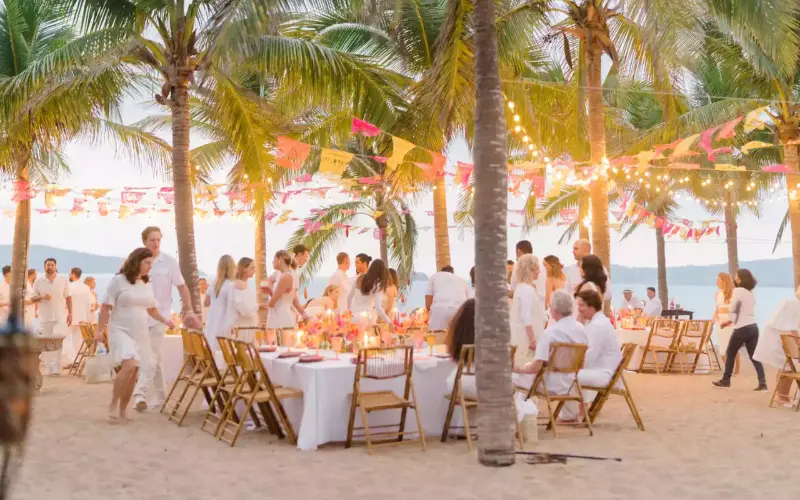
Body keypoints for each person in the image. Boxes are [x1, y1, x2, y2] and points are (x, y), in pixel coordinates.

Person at [96, 248, 174, 422]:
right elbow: (105, 306)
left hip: (140, 332)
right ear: (136, 261)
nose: (149, 267)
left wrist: (166, 321)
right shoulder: (118, 280)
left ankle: (123, 410)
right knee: (129, 365)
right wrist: (100, 331)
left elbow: (152, 309)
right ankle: (113, 403)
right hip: (120, 329)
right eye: (147, 263)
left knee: (134, 374)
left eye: (151, 264)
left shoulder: (146, 283)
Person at [134, 226, 199, 412]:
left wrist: (187, 309)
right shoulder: (135, 261)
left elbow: (182, 287)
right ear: (144, 242)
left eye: (158, 239)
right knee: (153, 358)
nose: (156, 243)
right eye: (152, 240)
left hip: (160, 317)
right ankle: (161, 398)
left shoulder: (169, 262)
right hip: (138, 317)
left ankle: (139, 394)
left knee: (151, 355)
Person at [513, 290, 587, 420]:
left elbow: (536, 367)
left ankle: (521, 415)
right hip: (570, 382)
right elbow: (582, 364)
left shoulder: (551, 333)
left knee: (512, 377)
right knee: (525, 375)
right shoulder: (581, 329)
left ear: (554, 310)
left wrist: (518, 369)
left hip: (548, 384)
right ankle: (527, 412)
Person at [713, 269, 767, 390]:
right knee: (754, 356)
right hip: (753, 326)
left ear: (740, 279)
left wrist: (728, 321)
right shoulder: (750, 293)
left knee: (730, 353)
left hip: (742, 327)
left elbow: (734, 309)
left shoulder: (738, 291)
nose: (734, 279)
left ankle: (726, 380)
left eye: (736, 277)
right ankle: (762, 383)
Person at [754, 286, 800, 405]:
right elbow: (792, 329)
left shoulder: (791, 302)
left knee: (786, 366)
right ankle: (782, 396)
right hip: (784, 341)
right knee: (788, 366)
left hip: (782, 340)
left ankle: (781, 396)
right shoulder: (794, 304)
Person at [577, 289, 621, 391]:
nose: (579, 309)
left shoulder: (597, 325)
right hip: (605, 371)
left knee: (564, 377)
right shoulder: (599, 321)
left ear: (592, 307)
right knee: (564, 376)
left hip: (604, 374)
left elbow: (589, 356)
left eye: (582, 305)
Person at [34, 258, 72, 374]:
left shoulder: (63, 279)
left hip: (60, 316)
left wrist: (70, 313)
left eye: (52, 265)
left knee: (58, 342)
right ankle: (49, 366)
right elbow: (33, 298)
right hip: (44, 317)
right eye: (48, 265)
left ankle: (56, 366)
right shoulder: (38, 281)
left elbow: (68, 297)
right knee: (46, 343)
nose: (50, 267)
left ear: (55, 266)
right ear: (44, 267)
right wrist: (42, 297)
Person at [510, 255, 546, 363]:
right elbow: (526, 316)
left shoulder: (523, 288)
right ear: (530, 270)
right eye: (537, 269)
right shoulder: (526, 290)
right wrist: (532, 340)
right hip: (526, 341)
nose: (539, 272)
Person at [348, 259, 395, 327]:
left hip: (353, 317)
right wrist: (389, 322)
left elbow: (349, 297)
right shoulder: (377, 284)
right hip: (367, 318)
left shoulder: (359, 278)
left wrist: (349, 311)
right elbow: (378, 307)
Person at [203, 255, 236, 350]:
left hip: (212, 320)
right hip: (224, 321)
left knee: (212, 348)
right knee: (224, 350)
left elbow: (206, 303)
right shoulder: (232, 285)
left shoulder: (213, 284)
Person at [425, 265, 471, 331]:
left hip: (439, 310)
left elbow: (428, 302)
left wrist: (432, 315)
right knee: (455, 335)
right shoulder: (463, 281)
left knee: (436, 335)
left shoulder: (434, 276)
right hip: (459, 312)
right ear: (452, 273)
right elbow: (469, 302)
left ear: (441, 272)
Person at [229, 257, 267, 331]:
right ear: (244, 269)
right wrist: (260, 306)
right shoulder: (239, 285)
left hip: (249, 326)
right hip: (243, 328)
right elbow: (245, 309)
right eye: (252, 268)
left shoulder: (245, 284)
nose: (254, 270)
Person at [267, 250, 300, 331]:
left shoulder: (286, 277)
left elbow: (272, 303)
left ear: (280, 259)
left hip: (282, 315)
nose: (272, 262)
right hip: (279, 313)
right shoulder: (283, 276)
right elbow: (278, 296)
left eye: (274, 259)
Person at [66, 268, 93, 366]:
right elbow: (89, 303)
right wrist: (88, 318)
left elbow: (66, 302)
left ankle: (73, 359)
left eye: (69, 274)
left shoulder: (69, 286)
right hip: (82, 318)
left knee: (64, 338)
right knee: (77, 339)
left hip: (69, 316)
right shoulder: (86, 288)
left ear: (73, 275)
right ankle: (77, 360)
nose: (68, 276)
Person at [712, 273, 737, 374]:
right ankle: (728, 369)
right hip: (720, 322)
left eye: (719, 280)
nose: (717, 282)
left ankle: (736, 369)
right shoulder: (718, 294)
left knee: (732, 347)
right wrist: (713, 318)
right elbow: (717, 308)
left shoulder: (734, 293)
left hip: (730, 323)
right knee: (722, 349)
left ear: (724, 281)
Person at [573, 255, 607, 323]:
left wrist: (576, 327)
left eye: (582, 267)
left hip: (584, 324)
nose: (580, 269)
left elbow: (582, 313)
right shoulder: (598, 286)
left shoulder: (587, 286)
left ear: (588, 269)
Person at [291, 245, 311, 321]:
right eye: (306, 256)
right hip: (289, 309)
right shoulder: (293, 271)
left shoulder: (295, 270)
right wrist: (302, 312)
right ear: (299, 255)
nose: (307, 259)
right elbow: (293, 294)